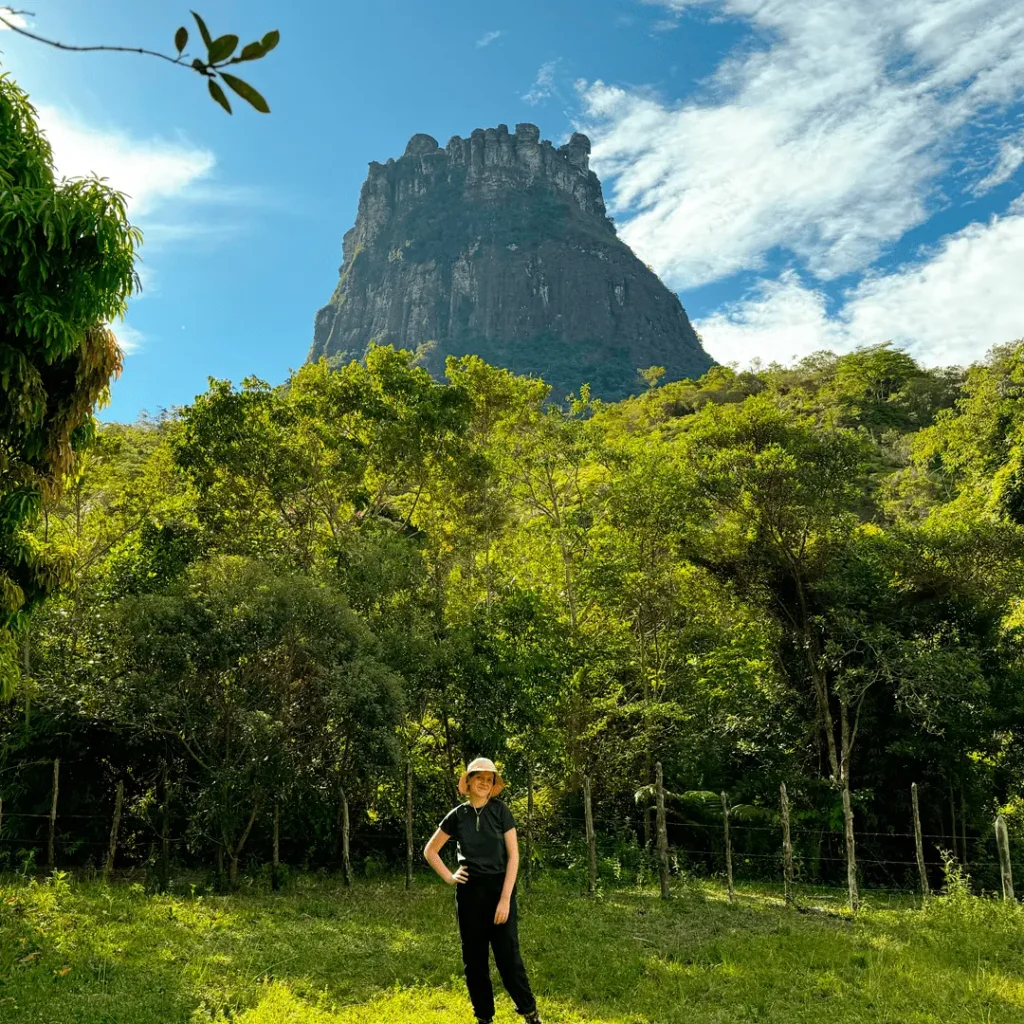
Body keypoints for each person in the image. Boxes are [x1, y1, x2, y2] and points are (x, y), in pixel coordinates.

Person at [424, 757, 542, 1024]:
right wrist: (450, 877)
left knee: (508, 958)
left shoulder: (501, 812)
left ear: (493, 785)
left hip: (499, 890)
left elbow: (514, 857)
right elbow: (430, 851)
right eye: (479, 778)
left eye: (489, 780)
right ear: (469, 781)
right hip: (469, 894)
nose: (484, 783)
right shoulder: (458, 815)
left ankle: (530, 1013)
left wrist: (505, 900)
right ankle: (484, 1018)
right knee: (474, 961)